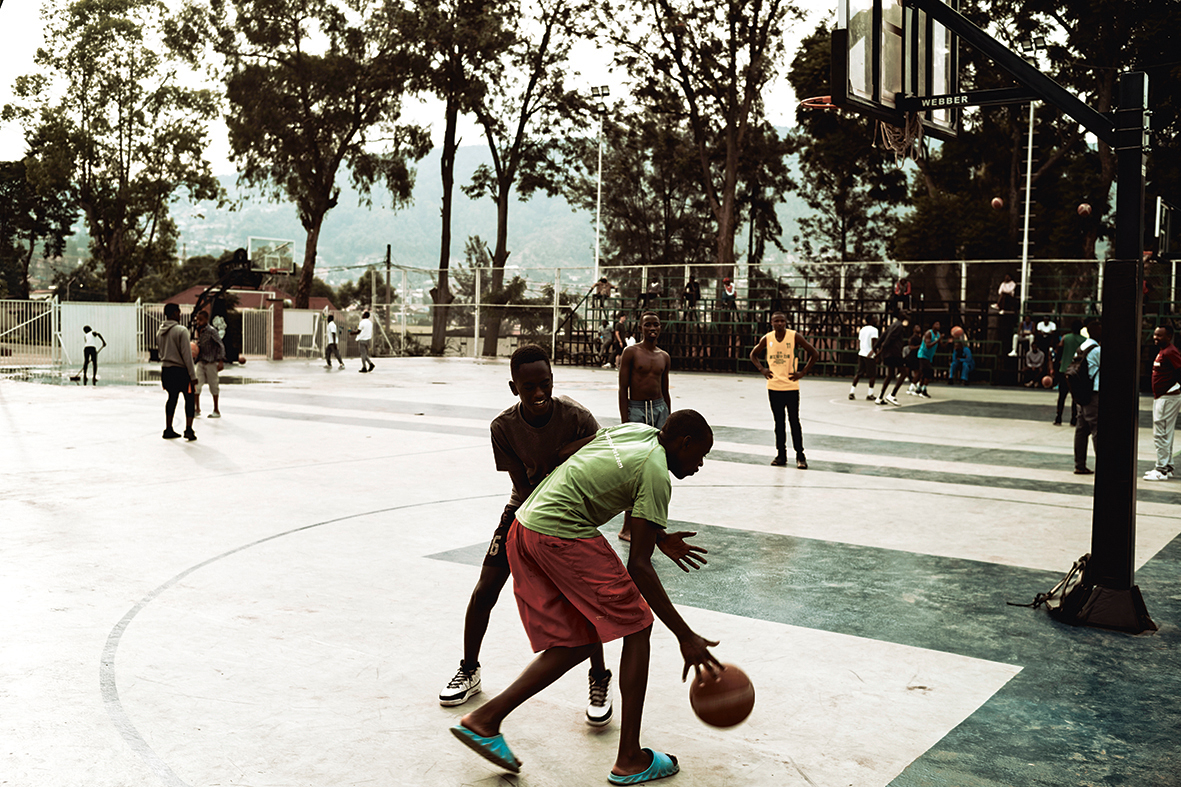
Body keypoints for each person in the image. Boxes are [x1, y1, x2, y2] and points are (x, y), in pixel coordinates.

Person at [449, 410, 719, 784]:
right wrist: (685, 636)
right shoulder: (658, 473)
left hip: (526, 524)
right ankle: (630, 758)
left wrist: (656, 534)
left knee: (581, 638)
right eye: (700, 455)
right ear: (683, 443)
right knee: (638, 625)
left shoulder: (637, 433)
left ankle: (484, 719)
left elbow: (575, 457)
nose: (700, 464)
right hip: (560, 532)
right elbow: (639, 566)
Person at [440, 346, 606, 720]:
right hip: (524, 507)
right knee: (485, 589)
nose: (538, 393)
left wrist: (569, 451)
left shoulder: (577, 417)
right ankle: (469, 669)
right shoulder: (503, 427)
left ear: (552, 380)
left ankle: (599, 675)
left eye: (544, 384)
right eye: (528, 387)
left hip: (571, 511)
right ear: (514, 387)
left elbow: (603, 454)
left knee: (583, 598)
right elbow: (524, 487)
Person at [617, 311, 672, 541]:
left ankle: (653, 523)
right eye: (648, 324)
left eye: (656, 324)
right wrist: (625, 422)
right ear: (640, 328)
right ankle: (626, 526)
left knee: (658, 467)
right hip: (637, 410)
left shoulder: (664, 356)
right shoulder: (631, 352)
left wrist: (669, 420)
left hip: (659, 409)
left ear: (661, 328)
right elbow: (623, 389)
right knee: (635, 467)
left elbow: (666, 390)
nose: (652, 328)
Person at [750, 310, 819, 468]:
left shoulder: (794, 336)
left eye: (782, 321)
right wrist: (763, 370)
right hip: (774, 387)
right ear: (772, 323)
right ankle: (781, 455)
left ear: (786, 322)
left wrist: (802, 372)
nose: (779, 323)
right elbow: (753, 355)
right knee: (778, 423)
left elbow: (814, 353)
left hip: (791, 387)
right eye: (776, 321)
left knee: (794, 421)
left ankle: (800, 456)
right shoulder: (767, 338)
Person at [1144, 325, 1181, 481]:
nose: (1155, 337)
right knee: (1166, 432)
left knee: (1161, 433)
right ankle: (1167, 467)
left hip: (1167, 397)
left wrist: (1174, 387)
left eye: (1159, 335)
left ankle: (1161, 470)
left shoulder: (1170, 351)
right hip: (1163, 396)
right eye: (1154, 334)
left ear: (1169, 337)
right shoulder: (1164, 351)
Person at [157, 303, 198, 441]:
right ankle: (188, 429)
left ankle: (168, 428)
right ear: (174, 313)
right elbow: (187, 356)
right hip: (181, 371)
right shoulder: (181, 330)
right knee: (189, 398)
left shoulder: (160, 331)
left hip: (166, 370)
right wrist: (193, 376)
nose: (180, 315)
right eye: (179, 312)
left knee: (172, 398)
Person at [1073, 318, 1102, 475]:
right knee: (1097, 429)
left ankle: (1080, 464)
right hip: (1093, 392)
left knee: (1081, 430)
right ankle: (1103, 464)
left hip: (1082, 393)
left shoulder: (1082, 346)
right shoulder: (1096, 350)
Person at [192, 310, 226, 418]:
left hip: (211, 361)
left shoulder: (212, 331)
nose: (198, 322)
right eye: (197, 319)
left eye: (201, 319)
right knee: (196, 385)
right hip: (201, 361)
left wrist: (220, 360)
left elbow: (220, 345)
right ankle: (197, 408)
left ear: (206, 319)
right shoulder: (197, 330)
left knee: (213, 385)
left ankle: (216, 409)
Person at [873, 311, 911, 405]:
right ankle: (892, 395)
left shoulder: (892, 325)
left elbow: (883, 335)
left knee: (890, 375)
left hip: (888, 353)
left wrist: (876, 347)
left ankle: (880, 397)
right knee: (904, 373)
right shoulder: (899, 326)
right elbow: (889, 338)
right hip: (894, 353)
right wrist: (882, 349)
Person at [1054, 320, 1086, 426]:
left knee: (1062, 395)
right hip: (1077, 371)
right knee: (1075, 397)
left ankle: (1058, 417)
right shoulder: (1084, 341)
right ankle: (1074, 418)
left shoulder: (1065, 338)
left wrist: (1056, 368)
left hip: (1064, 369)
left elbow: (1059, 353)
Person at [849, 316, 878, 400]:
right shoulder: (874, 330)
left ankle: (852, 392)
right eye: (874, 318)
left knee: (858, 373)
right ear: (871, 320)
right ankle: (870, 394)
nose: (876, 320)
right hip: (869, 354)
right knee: (872, 375)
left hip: (862, 353)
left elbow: (860, 341)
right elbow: (874, 342)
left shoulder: (862, 330)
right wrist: (875, 353)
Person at [913, 320, 941, 398]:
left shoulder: (938, 334)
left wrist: (948, 342)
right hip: (923, 354)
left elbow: (941, 345)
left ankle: (918, 388)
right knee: (929, 372)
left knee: (924, 373)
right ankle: (924, 390)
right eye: (936, 324)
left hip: (929, 356)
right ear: (933, 325)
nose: (938, 325)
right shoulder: (929, 333)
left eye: (939, 324)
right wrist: (937, 341)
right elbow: (928, 345)